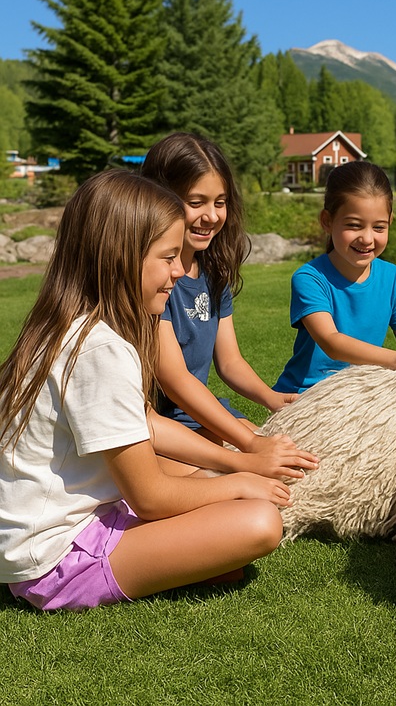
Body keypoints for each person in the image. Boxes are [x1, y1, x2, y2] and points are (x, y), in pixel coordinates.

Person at [0, 169, 288, 611]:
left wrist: (236, 460)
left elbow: (148, 423)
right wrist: (240, 483)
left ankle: (183, 554)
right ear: (120, 257)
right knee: (260, 522)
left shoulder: (71, 327)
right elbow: (150, 497)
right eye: (168, 258)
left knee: (208, 485)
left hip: (58, 526)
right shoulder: (98, 349)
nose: (177, 272)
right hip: (54, 559)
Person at [141, 133, 318, 481]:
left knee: (293, 456)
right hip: (156, 422)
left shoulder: (213, 271)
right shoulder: (153, 279)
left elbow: (230, 361)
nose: (211, 216)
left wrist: (271, 398)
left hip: (199, 412)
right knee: (235, 475)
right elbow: (174, 379)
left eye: (219, 202)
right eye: (196, 202)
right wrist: (249, 444)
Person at [274, 160, 396, 394]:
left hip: (360, 391)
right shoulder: (310, 278)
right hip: (306, 394)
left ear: (390, 222)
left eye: (379, 228)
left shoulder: (393, 278)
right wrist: (395, 359)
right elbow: (331, 343)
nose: (367, 239)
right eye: (354, 225)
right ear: (327, 221)